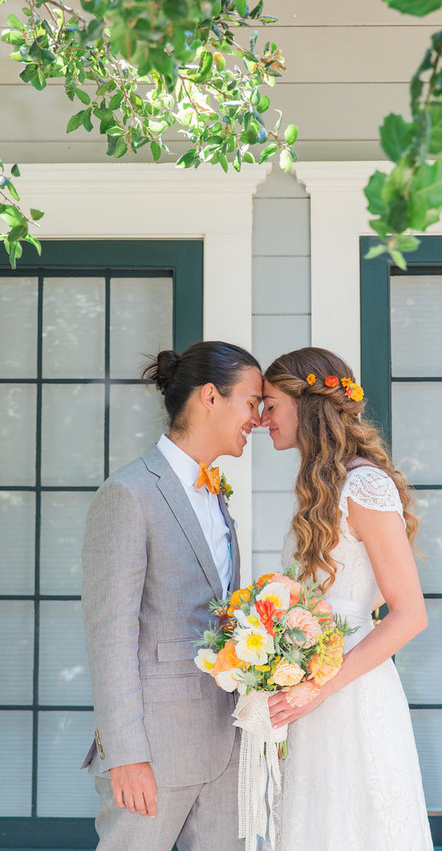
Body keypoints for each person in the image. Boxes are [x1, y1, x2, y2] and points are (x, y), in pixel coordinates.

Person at [81, 340, 262, 851]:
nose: (258, 418)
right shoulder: (128, 493)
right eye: (251, 402)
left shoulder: (216, 494)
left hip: (226, 743)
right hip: (154, 751)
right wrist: (126, 754)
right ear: (211, 396)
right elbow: (110, 635)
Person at [261, 347, 434, 851]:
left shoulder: (364, 485)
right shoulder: (320, 487)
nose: (263, 419)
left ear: (305, 404)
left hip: (350, 691)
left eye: (271, 404)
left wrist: (320, 686)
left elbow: (410, 614)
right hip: (310, 688)